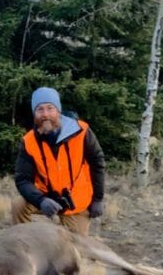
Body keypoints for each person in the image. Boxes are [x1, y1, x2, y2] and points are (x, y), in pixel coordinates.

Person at [12, 87, 105, 236]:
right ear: (34, 113)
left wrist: (98, 199)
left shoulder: (81, 131)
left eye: (50, 108)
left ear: (58, 110)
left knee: (77, 249)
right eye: (40, 109)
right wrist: (41, 200)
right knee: (19, 205)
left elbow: (97, 163)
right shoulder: (29, 141)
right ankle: (26, 243)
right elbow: (23, 179)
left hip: (76, 201)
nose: (45, 114)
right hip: (46, 196)